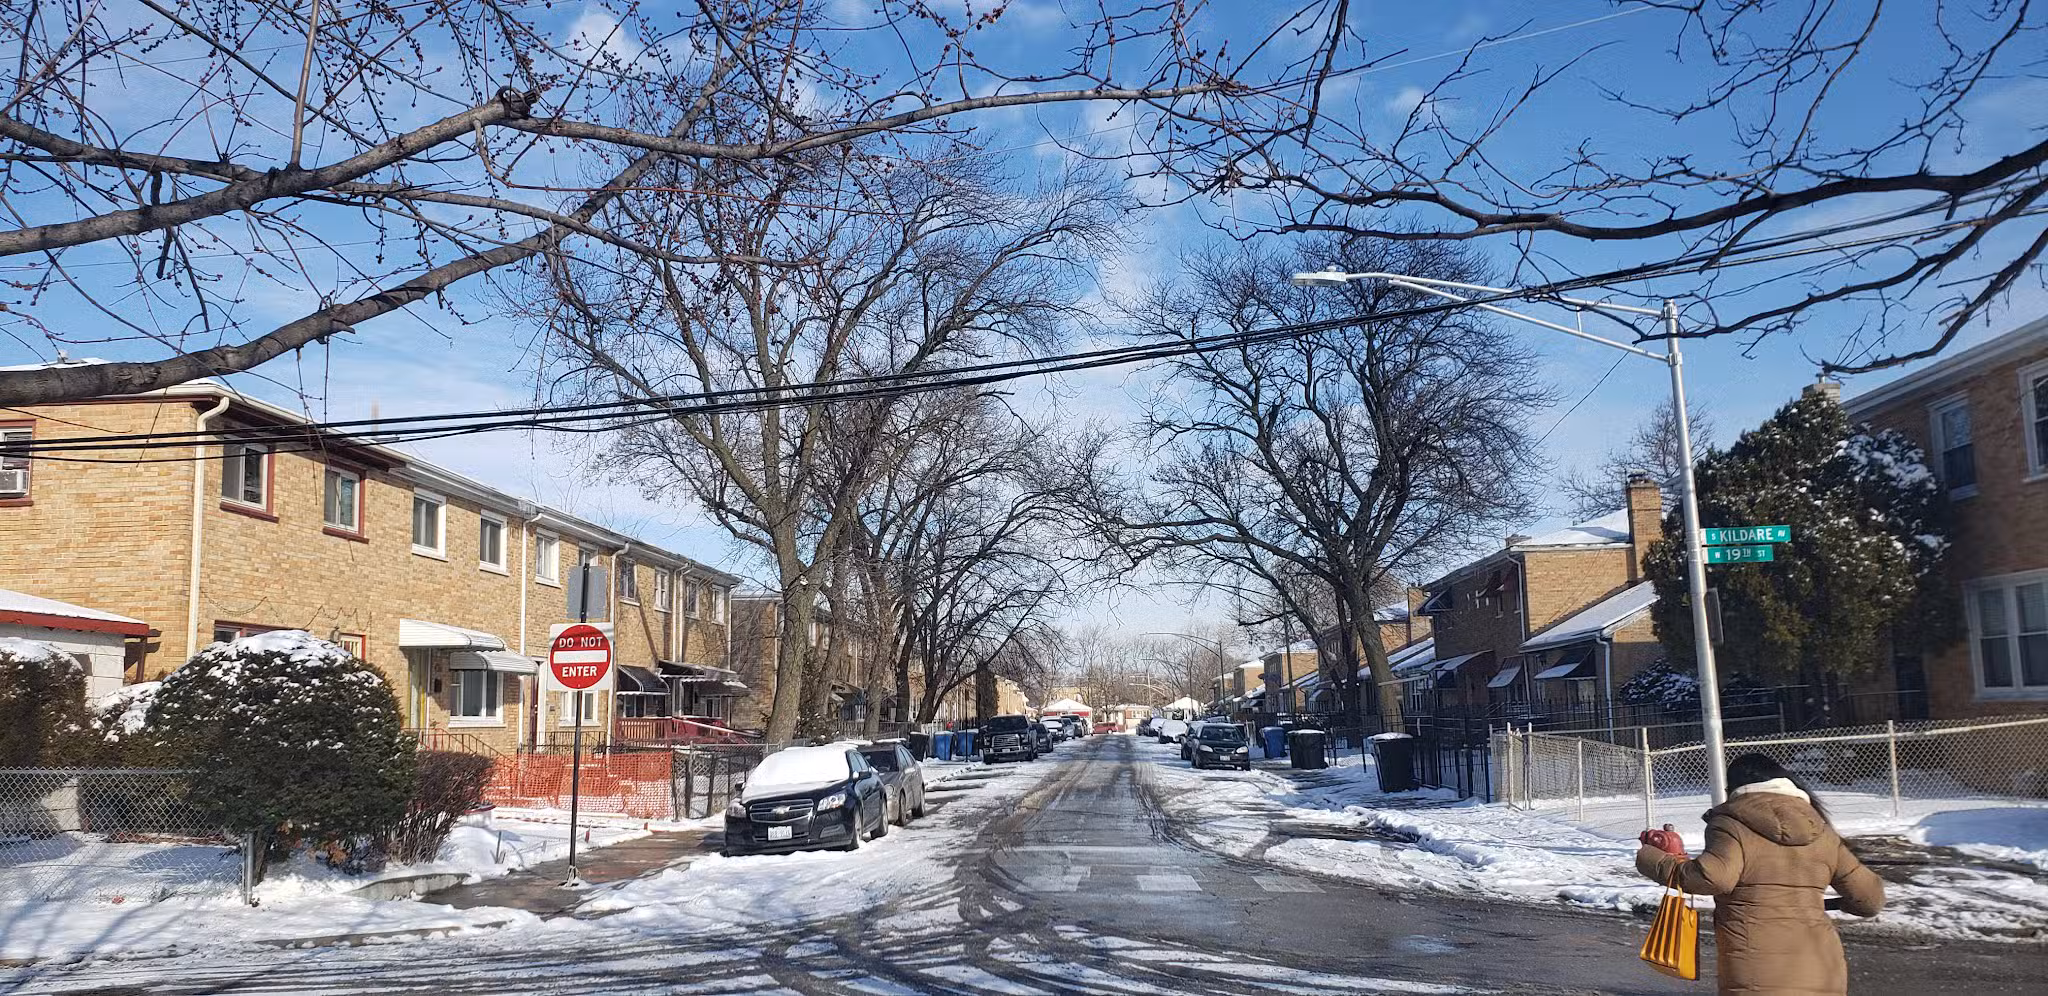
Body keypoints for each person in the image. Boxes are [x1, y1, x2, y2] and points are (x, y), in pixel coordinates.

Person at [1637, 754, 1885, 995]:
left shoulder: (1732, 823)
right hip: (1823, 970)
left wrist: (1653, 858)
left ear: (1733, 787)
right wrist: (1820, 903)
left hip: (1757, 971)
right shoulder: (1821, 830)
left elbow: (1712, 877)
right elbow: (1870, 900)